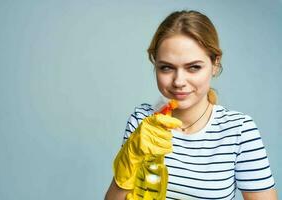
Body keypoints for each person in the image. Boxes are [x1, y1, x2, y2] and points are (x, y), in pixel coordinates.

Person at [105, 10, 277, 200]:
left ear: (215, 64)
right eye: (166, 67)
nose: (179, 81)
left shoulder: (239, 130)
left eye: (193, 67)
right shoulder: (142, 121)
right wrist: (127, 163)